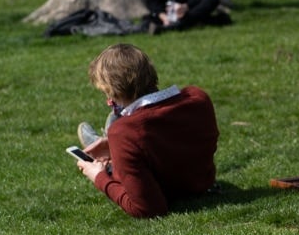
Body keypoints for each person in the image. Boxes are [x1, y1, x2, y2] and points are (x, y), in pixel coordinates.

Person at [73, 44, 219, 218]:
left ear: (113, 91)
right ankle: (111, 145)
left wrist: (99, 177)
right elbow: (169, 137)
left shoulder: (125, 132)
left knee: (117, 136)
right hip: (200, 183)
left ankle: (110, 160)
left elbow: (147, 208)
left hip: (165, 188)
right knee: (120, 131)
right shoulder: (198, 98)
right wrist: (116, 143)